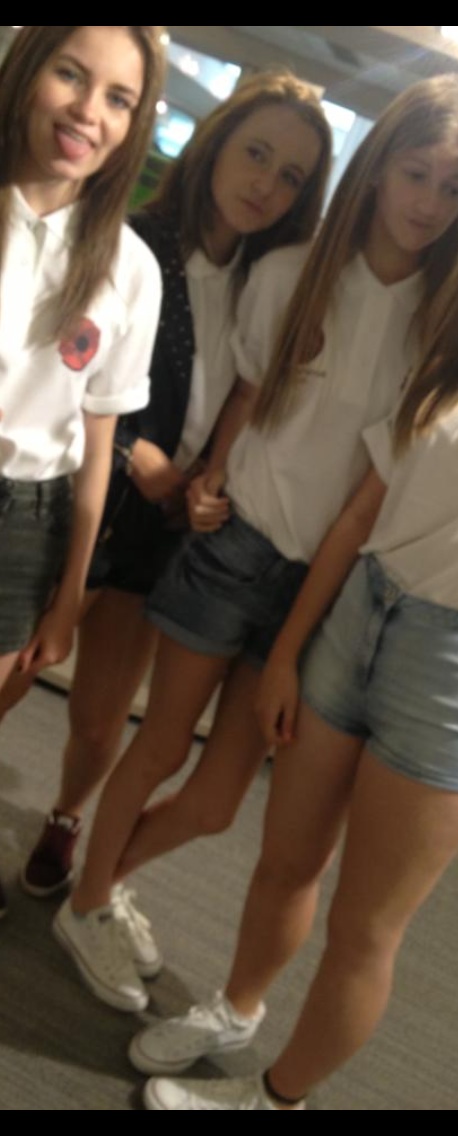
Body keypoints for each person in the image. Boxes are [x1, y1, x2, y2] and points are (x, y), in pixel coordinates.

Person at [128, 132, 458, 1111]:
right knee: (286, 861)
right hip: (359, 614)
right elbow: (362, 514)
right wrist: (287, 652)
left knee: (364, 927)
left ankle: (277, 1097)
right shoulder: (456, 350)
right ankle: (236, 1007)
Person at [52, 74, 458, 1012]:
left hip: (321, 587)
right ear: (378, 170)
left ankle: (97, 881)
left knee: (218, 802)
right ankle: (87, 901)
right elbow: (249, 398)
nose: (429, 203)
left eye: (454, 188)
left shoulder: (446, 318)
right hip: (233, 550)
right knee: (157, 748)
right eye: (416, 174)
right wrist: (210, 475)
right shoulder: (293, 273)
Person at [15, 72, 332, 948]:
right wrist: (133, 453)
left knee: (105, 716)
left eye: (292, 176)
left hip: (172, 528)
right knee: (23, 674)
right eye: (255, 153)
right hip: (81, 498)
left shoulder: (275, 279)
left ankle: (67, 820)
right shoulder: (128, 242)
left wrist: (207, 479)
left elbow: (257, 401)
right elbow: (57, 376)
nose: (265, 184)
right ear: (215, 143)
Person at [0, 26, 166, 918]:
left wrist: (69, 594)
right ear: (28, 70)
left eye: (118, 98)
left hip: (26, 519)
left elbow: (99, 449)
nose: (87, 112)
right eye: (71, 74)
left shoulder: (129, 270)